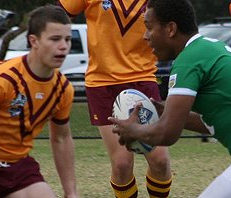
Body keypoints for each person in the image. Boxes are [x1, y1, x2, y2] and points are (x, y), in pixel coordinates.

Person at [108, 0, 231, 197]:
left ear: (170, 29)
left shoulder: (189, 59)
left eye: (149, 27)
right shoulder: (206, 48)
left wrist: (134, 130)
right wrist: (165, 110)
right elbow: (213, 122)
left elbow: (167, 134)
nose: (145, 36)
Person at [58, 0, 172, 197]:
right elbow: (59, 16)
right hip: (103, 83)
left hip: (143, 78)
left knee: (160, 161)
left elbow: (175, 22)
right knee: (121, 164)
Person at [0, 5, 78, 198]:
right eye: (55, 39)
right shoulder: (3, 78)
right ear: (34, 41)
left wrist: (71, 192)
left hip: (17, 166)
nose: (64, 46)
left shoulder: (63, 89)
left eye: (67, 39)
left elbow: (61, 139)